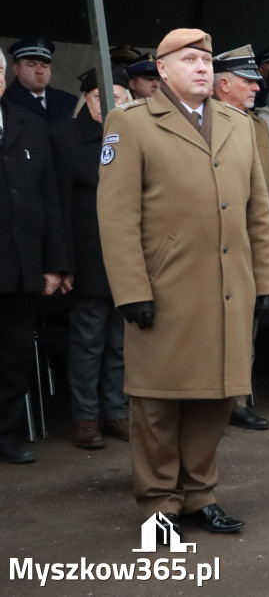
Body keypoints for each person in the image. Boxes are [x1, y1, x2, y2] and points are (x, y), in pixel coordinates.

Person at [97, 29, 269, 543]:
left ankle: (200, 494)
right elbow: (116, 217)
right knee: (157, 403)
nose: (203, 68)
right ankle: (159, 505)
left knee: (215, 397)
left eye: (206, 60)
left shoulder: (237, 124)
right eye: (190, 59)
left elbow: (258, 213)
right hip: (165, 289)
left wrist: (268, 279)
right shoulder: (131, 123)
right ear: (162, 70)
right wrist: (132, 289)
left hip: (229, 290)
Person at [51, 68, 132, 450]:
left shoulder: (133, 135)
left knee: (121, 341)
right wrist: (62, 262)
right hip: (88, 256)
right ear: (86, 98)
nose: (111, 103)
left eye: (120, 96)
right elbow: (60, 207)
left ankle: (116, 411)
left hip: (128, 258)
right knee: (88, 341)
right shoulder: (65, 138)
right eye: (102, 96)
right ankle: (85, 416)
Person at [212, 45, 269, 431]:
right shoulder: (204, 121)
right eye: (248, 82)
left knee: (246, 329)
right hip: (211, 247)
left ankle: (237, 399)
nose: (257, 89)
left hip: (249, 242)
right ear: (223, 84)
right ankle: (207, 405)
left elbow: (267, 189)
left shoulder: (255, 125)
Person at [0, 49, 69, 465]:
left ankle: (4, 436)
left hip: (20, 265)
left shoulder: (30, 123)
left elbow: (50, 198)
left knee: (14, 355)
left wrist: (55, 263)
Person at [2, 38, 78, 123]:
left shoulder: (68, 101)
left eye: (44, 65)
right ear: (16, 69)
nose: (39, 71)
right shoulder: (4, 102)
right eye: (31, 65)